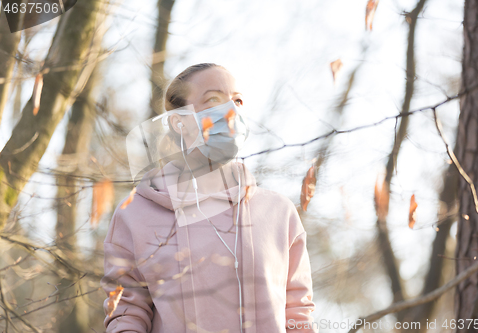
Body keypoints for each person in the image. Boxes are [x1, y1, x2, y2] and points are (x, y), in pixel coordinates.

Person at [101, 63, 318, 333]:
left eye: (237, 100)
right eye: (213, 100)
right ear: (179, 121)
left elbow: (297, 310)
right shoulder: (135, 214)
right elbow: (127, 312)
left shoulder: (278, 212)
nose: (231, 111)